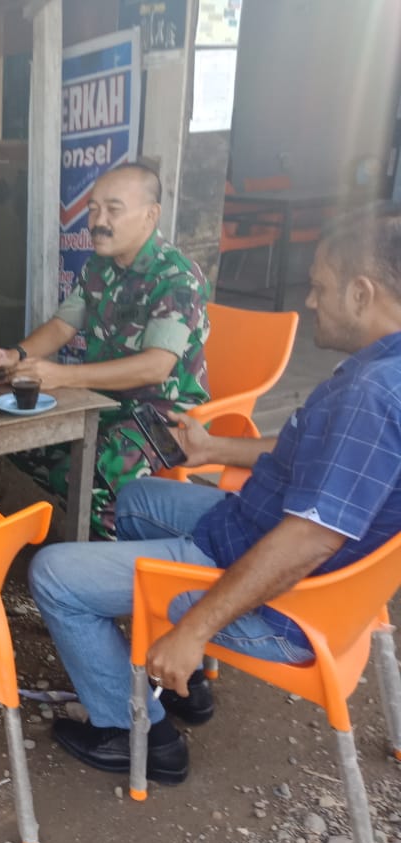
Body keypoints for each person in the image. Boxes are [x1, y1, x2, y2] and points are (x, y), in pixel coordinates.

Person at [28, 207, 401, 785]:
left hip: (283, 604)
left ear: (361, 294)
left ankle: (141, 736)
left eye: (319, 287)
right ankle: (189, 682)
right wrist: (212, 449)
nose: (309, 301)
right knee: (137, 498)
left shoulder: (372, 393)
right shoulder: (382, 372)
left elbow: (309, 539)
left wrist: (195, 629)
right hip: (257, 530)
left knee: (53, 575)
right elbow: (314, 451)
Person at [0, 162, 210, 537]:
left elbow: (155, 367)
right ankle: (66, 533)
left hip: (162, 417)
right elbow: (62, 325)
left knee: (94, 477)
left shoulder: (176, 277)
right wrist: (15, 355)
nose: (97, 221)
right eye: (93, 209)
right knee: (22, 444)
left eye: (113, 210)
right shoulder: (99, 266)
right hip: (101, 402)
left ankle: (106, 556)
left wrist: (62, 376)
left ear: (151, 215)